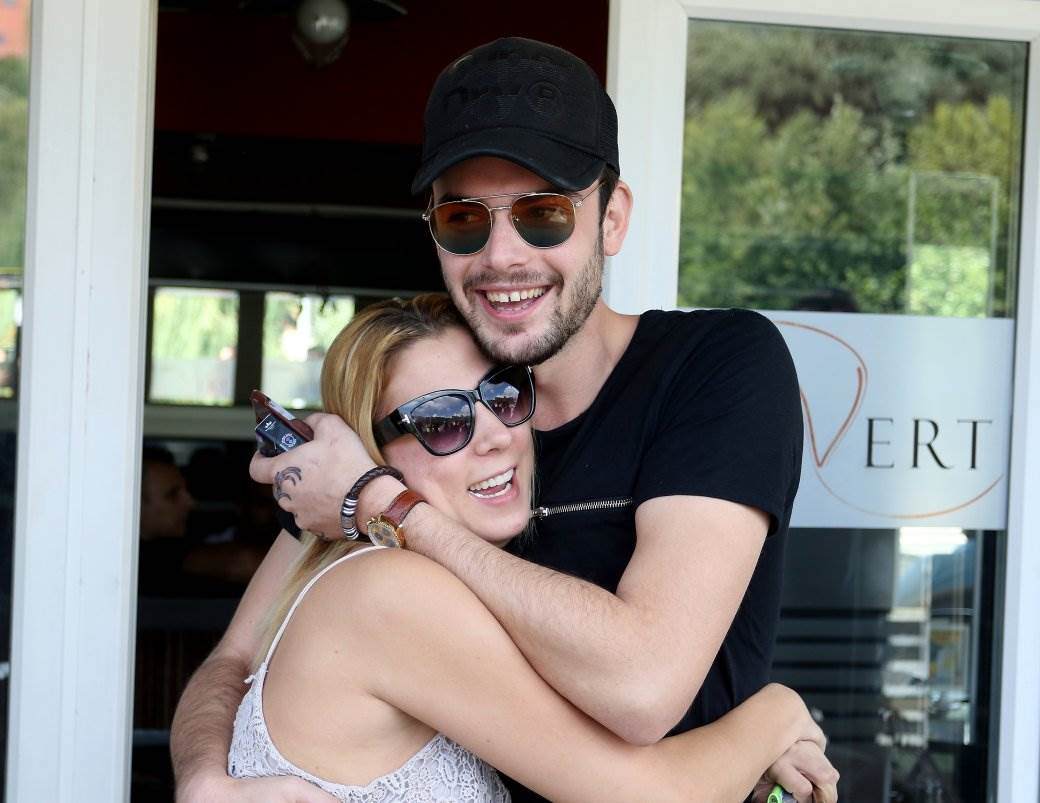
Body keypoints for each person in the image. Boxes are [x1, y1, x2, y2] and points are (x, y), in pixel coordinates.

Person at [172, 38, 837, 802]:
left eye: (543, 213)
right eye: (465, 218)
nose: (502, 255)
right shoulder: (406, 421)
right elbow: (234, 656)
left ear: (612, 218)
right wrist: (202, 777)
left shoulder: (712, 366)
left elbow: (642, 684)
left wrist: (388, 504)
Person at [226, 292, 830, 802]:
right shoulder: (388, 592)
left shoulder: (393, 581)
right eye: (440, 422)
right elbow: (648, 794)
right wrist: (774, 715)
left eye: (503, 396)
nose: (495, 436)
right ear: (370, 454)